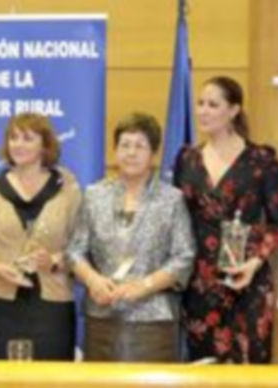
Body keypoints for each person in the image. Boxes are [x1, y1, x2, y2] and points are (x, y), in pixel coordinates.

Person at [173, 76, 278, 363]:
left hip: (247, 278)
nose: (203, 111)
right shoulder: (186, 159)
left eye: (213, 104)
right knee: (204, 370)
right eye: (200, 103)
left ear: (233, 110)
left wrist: (256, 261)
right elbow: (176, 219)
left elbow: (277, 222)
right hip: (199, 282)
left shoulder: (262, 158)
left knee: (251, 371)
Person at [67, 112, 194, 362]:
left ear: (153, 154)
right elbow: (74, 250)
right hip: (101, 316)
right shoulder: (94, 195)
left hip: (153, 319)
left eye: (140, 146)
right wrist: (93, 280)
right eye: (125, 145)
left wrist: (144, 286)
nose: (131, 153)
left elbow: (184, 257)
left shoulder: (171, 199)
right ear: (115, 150)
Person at [0, 113, 81, 360]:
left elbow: (80, 248)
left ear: (45, 145)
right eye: (13, 137)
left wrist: (53, 260)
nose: (18, 144)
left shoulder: (68, 190)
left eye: (28, 138)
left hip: (52, 307)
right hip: (1, 303)